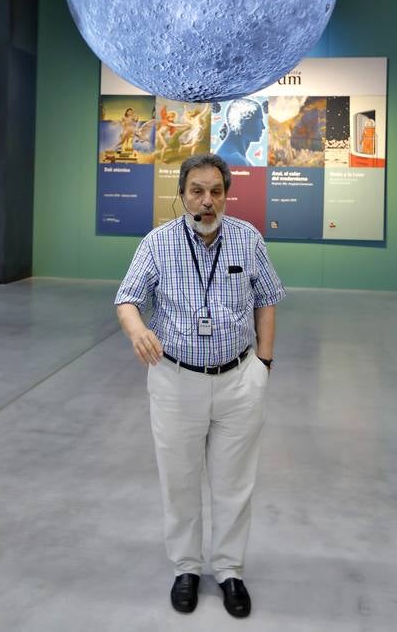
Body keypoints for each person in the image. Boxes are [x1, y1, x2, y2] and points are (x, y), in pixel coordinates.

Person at [115, 153, 285, 618]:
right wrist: (137, 330)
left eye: (215, 191)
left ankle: (230, 571)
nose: (206, 201)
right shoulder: (158, 243)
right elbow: (127, 298)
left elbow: (267, 300)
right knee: (180, 481)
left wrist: (263, 365)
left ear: (226, 195)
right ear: (182, 194)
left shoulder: (248, 239)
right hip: (175, 382)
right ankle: (186, 568)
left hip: (237, 381)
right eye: (197, 191)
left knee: (235, 483)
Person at [215, 98, 265, 166]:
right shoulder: (234, 159)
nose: (263, 127)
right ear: (243, 121)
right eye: (260, 119)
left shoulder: (233, 156)